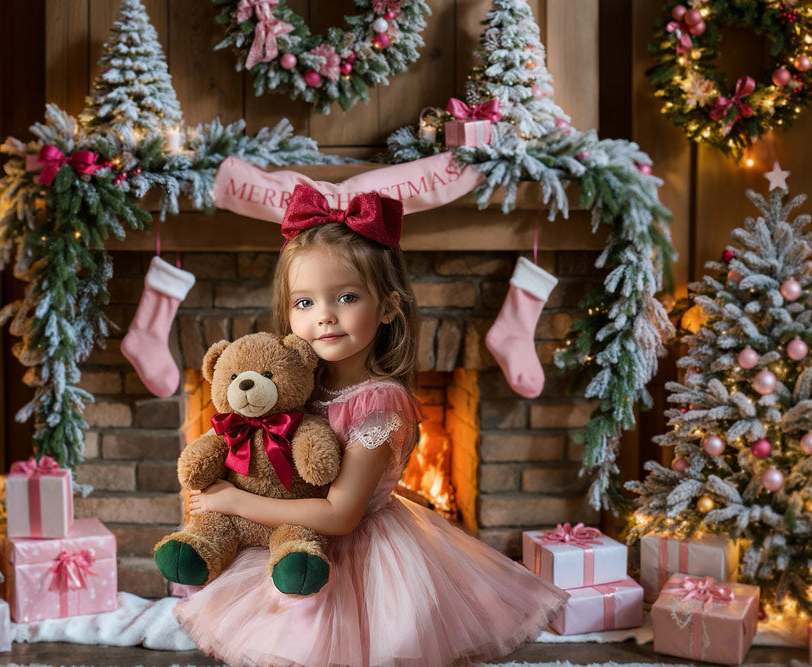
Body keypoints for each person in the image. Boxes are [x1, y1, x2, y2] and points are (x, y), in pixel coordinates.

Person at [175, 185, 568, 666]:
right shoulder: (296, 387)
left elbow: (340, 514)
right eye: (304, 303)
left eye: (345, 296)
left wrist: (234, 500)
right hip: (292, 537)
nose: (324, 316)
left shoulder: (378, 403)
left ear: (387, 307)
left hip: (357, 555)